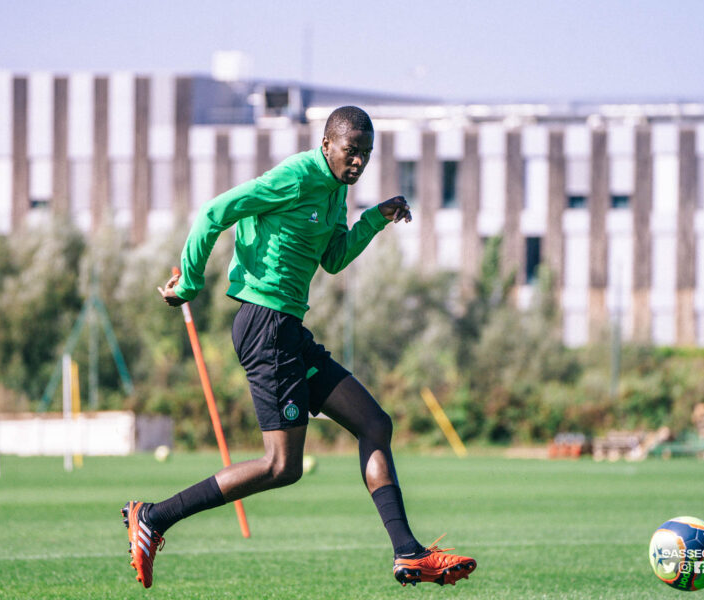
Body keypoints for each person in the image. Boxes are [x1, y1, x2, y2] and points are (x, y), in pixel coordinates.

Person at [122, 106, 476, 588]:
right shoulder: (296, 175)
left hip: (288, 329)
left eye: (367, 156)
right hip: (264, 325)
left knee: (374, 423)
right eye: (352, 152)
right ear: (327, 144)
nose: (359, 164)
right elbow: (215, 212)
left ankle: (407, 553)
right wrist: (189, 279)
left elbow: (332, 259)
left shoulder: (336, 194)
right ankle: (154, 518)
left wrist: (375, 218)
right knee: (281, 465)